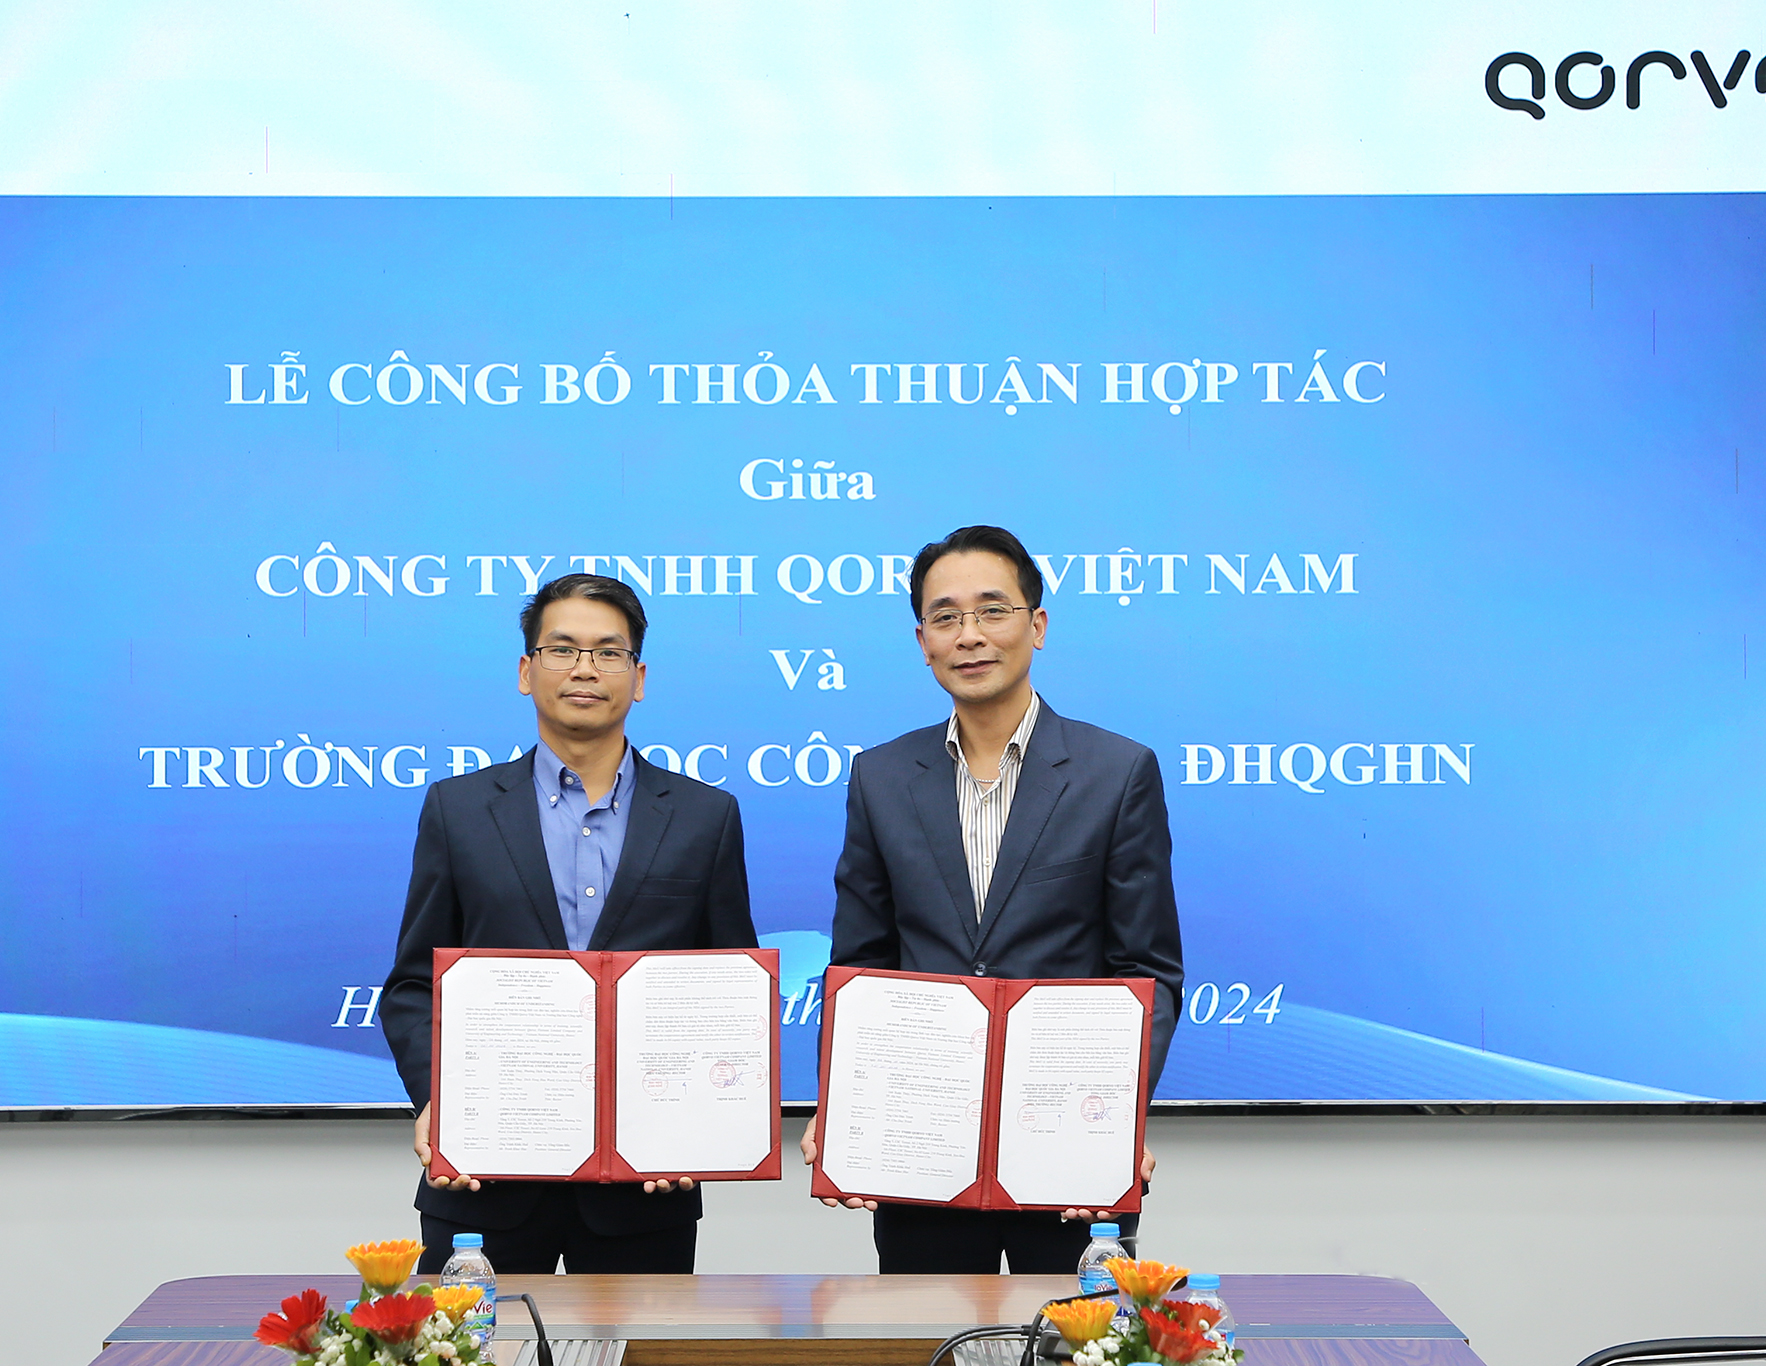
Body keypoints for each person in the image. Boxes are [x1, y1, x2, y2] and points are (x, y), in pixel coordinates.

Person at [803, 525, 1184, 1273]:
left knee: (1073, 1331)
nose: (969, 635)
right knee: (928, 1331)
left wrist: (1114, 1121)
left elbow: (1147, 972)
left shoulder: (1116, 772)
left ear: (1036, 625)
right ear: (923, 642)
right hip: (921, 1152)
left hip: (1068, 1153)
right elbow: (863, 966)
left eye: (992, 611)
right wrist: (844, 1105)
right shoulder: (882, 777)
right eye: (945, 617)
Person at [381, 573, 758, 1274]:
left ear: (638, 678)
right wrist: (438, 1098)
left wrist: (701, 1126)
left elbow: (729, 993)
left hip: (645, 1186)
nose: (585, 668)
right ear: (527, 671)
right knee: (474, 1338)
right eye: (562, 649)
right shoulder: (458, 811)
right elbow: (411, 987)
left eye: (608, 652)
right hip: (484, 1184)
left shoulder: (705, 818)